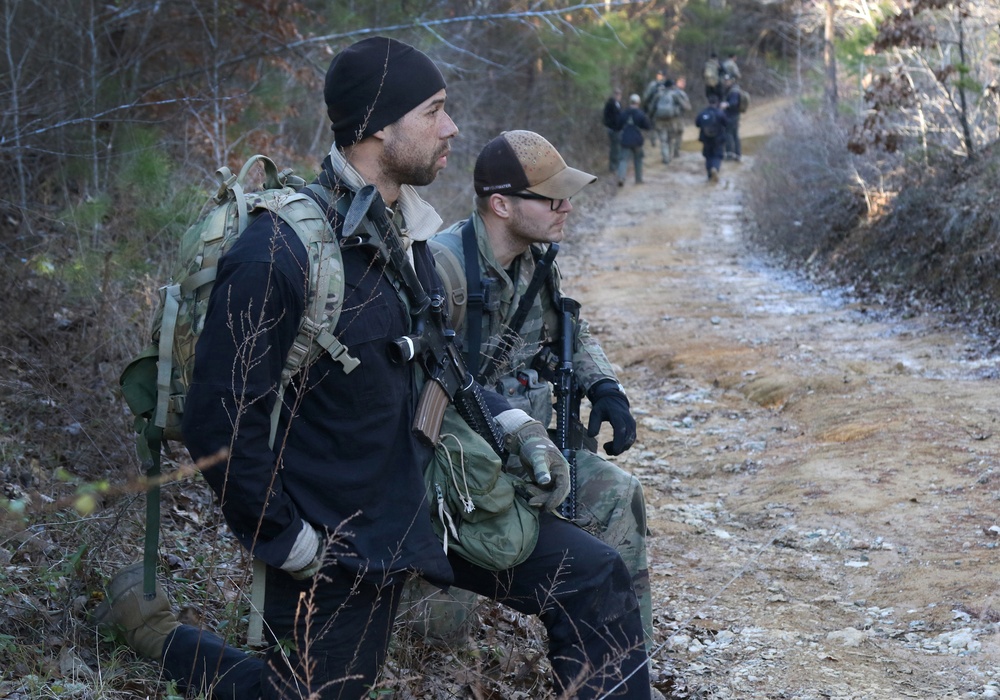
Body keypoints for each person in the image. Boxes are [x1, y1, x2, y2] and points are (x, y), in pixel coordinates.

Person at [95, 37, 651, 700]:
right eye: (434, 111)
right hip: (346, 543)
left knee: (595, 578)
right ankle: (163, 638)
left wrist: (514, 429)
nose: (451, 128)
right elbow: (222, 422)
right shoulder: (277, 251)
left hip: (436, 505)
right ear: (378, 126)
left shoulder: (404, 238)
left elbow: (445, 367)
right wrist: (289, 541)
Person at [428, 130, 654, 651]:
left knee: (620, 495)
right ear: (502, 204)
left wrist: (605, 388)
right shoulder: (442, 270)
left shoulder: (535, 264)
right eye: (553, 198)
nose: (567, 208)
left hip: (531, 456)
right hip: (462, 469)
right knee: (437, 630)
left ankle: (625, 660)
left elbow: (570, 331)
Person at [617, 94, 651, 186]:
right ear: (638, 103)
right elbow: (647, 126)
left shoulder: (624, 113)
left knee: (623, 160)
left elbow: (618, 125)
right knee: (638, 159)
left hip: (625, 140)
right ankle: (638, 179)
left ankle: (621, 178)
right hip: (637, 140)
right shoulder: (641, 114)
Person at [695, 93, 729, 183]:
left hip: (706, 139)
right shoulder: (720, 113)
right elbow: (726, 123)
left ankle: (709, 175)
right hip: (718, 139)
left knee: (708, 156)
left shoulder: (702, 112)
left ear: (708, 102)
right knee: (717, 155)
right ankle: (715, 168)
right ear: (717, 103)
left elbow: (697, 124)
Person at [664, 77, 693, 163]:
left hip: (668, 117)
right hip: (678, 117)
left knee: (670, 135)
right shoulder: (680, 93)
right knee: (678, 133)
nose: (683, 84)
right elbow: (687, 107)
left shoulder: (666, 92)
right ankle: (675, 152)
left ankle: (669, 153)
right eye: (681, 82)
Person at [721, 74, 744, 161]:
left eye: (728, 81)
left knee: (729, 135)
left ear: (732, 81)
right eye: (725, 81)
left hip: (732, 116)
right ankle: (737, 155)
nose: (726, 82)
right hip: (733, 115)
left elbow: (734, 103)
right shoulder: (732, 89)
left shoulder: (734, 91)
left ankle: (730, 155)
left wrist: (726, 104)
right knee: (734, 135)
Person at [603, 87, 623, 174]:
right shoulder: (610, 104)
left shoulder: (618, 104)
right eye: (616, 94)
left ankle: (616, 166)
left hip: (617, 129)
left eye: (619, 94)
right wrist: (611, 126)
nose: (618, 96)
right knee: (614, 148)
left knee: (617, 148)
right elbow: (607, 117)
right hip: (613, 130)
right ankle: (613, 166)